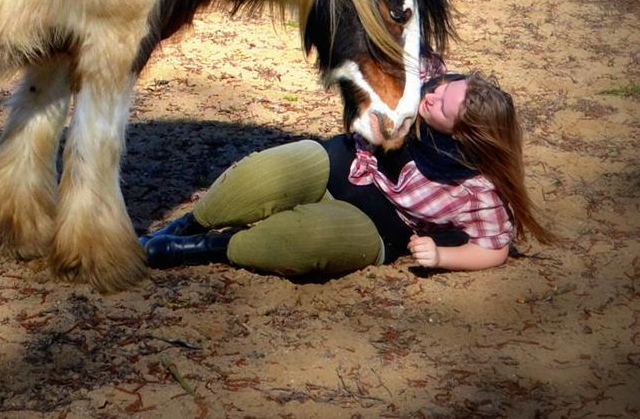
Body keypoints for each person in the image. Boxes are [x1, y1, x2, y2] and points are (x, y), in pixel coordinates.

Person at [142, 70, 555, 276]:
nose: (434, 96)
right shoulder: (418, 87)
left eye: (445, 105)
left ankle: (203, 250)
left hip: (377, 222)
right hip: (339, 163)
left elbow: (494, 247)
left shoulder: (477, 186)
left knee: (299, 242)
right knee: (261, 175)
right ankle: (183, 227)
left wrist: (443, 256)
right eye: (446, 87)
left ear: (465, 133)